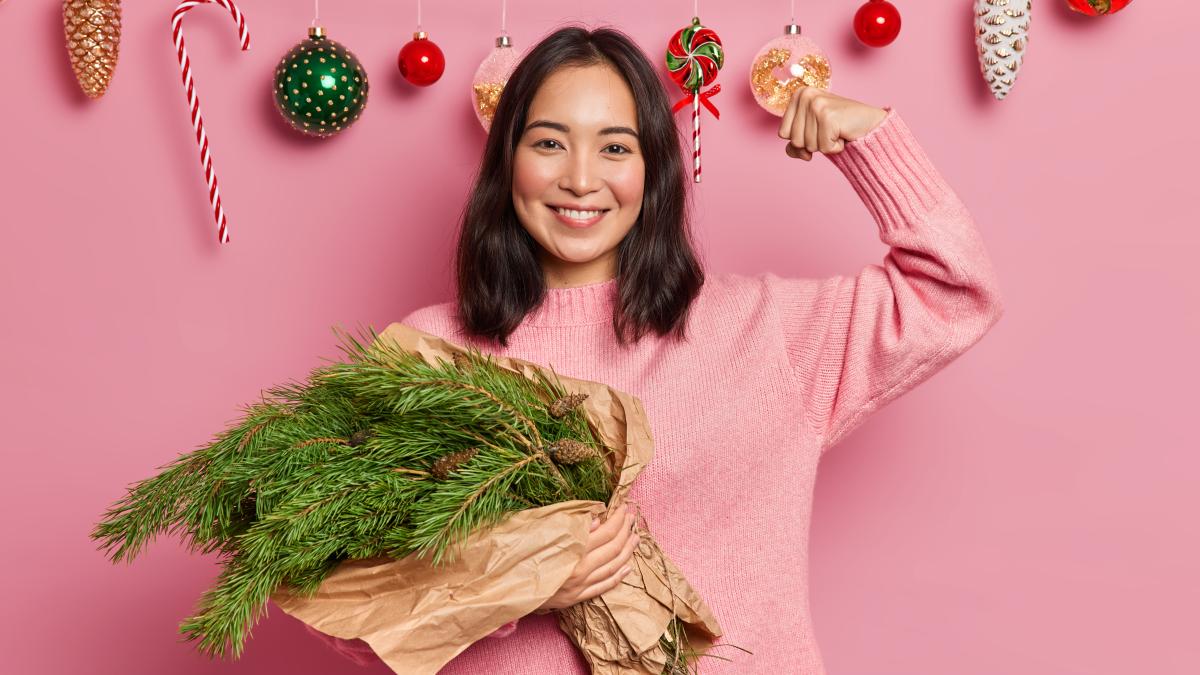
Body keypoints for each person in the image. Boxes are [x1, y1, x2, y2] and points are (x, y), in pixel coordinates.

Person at [307, 24, 1004, 673]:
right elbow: (342, 601)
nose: (581, 178)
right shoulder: (427, 358)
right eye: (549, 142)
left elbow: (956, 292)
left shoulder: (767, 331)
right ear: (506, 160)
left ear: (653, 169)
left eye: (615, 146)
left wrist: (872, 143)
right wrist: (512, 581)